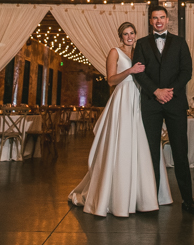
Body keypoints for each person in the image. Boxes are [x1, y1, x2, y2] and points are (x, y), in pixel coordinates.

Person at [69, 22, 172, 217]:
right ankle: (118, 196)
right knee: (123, 143)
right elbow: (110, 80)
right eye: (125, 34)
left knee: (142, 143)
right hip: (123, 98)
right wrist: (130, 71)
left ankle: (143, 195)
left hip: (140, 99)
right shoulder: (114, 52)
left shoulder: (139, 52)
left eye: (132, 33)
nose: (129, 36)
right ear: (120, 36)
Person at [132, 6, 194, 215]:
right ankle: (152, 200)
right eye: (155, 18)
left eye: (162, 17)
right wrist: (156, 91)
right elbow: (138, 72)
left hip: (175, 102)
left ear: (167, 19)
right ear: (150, 21)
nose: (159, 21)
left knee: (180, 151)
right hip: (151, 104)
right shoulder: (142, 44)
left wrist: (169, 92)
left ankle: (188, 201)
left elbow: (186, 71)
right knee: (151, 152)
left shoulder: (180, 43)